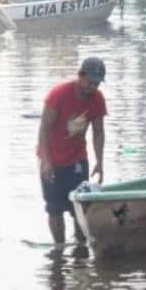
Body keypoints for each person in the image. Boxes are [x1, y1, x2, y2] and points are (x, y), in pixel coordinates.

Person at [38, 57, 107, 245]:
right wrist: (45, 161)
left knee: (80, 205)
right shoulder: (59, 94)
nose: (91, 87)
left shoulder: (97, 100)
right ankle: (59, 248)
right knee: (54, 208)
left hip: (77, 159)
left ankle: (80, 245)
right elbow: (43, 129)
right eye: (89, 82)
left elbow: (98, 132)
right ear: (80, 76)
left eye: (96, 84)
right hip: (51, 157)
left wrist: (100, 162)